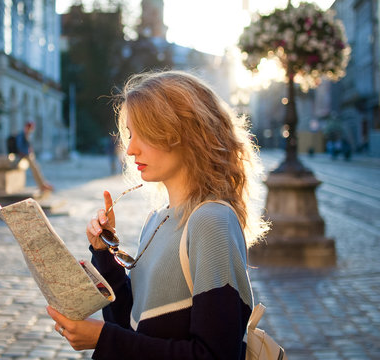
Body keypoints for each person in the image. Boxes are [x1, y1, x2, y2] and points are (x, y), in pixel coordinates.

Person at [46, 70, 269, 359]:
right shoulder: (158, 218)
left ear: (185, 132)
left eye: (144, 133)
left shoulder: (211, 221)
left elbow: (215, 355)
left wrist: (103, 338)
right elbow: (131, 325)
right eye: (129, 133)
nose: (130, 149)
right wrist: (104, 253)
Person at [15, 121, 53, 193]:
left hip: (27, 155)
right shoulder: (21, 135)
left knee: (36, 167)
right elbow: (20, 147)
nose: (31, 131)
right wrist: (28, 153)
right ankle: (42, 185)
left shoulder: (26, 135)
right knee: (35, 168)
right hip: (23, 155)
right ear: (27, 128)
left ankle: (42, 184)